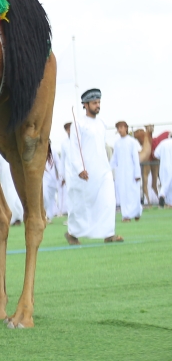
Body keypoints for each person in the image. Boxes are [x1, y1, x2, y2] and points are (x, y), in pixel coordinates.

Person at [63, 89, 120, 245]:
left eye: (99, 102)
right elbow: (74, 147)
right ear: (85, 105)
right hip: (85, 172)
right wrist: (79, 168)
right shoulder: (78, 123)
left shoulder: (102, 124)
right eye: (94, 103)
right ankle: (72, 233)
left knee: (108, 200)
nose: (97, 105)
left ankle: (109, 234)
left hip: (103, 169)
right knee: (81, 204)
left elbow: (101, 147)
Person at [110, 121, 142, 221]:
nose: (119, 130)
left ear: (126, 128)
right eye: (118, 128)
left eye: (121, 127)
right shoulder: (117, 143)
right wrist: (108, 169)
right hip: (121, 174)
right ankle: (126, 215)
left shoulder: (132, 142)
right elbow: (114, 159)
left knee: (134, 193)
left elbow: (136, 159)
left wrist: (137, 173)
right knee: (123, 194)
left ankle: (136, 212)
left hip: (131, 172)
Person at [154, 134, 172, 208]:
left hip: (163, 167)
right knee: (169, 185)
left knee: (165, 182)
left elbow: (156, 154)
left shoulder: (163, 143)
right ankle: (163, 196)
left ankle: (165, 199)